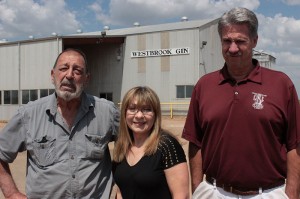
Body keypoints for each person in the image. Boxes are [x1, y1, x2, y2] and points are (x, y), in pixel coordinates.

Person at [182, 7, 300, 199]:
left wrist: (292, 192)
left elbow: (295, 144)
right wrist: (197, 188)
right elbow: (195, 142)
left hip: (268, 193)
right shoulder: (205, 85)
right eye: (227, 41)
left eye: (240, 41)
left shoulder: (281, 84)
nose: (233, 48)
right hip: (214, 191)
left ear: (254, 41)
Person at [0, 48, 120, 198]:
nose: (69, 75)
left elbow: (134, 147)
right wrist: (11, 193)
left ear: (86, 79)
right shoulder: (29, 114)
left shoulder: (107, 112)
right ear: (53, 75)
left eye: (77, 71)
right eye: (63, 68)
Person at [112, 86, 189, 199]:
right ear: (124, 113)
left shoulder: (167, 145)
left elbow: (182, 195)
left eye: (147, 109)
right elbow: (120, 191)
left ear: (155, 114)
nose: (139, 115)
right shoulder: (121, 145)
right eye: (132, 109)